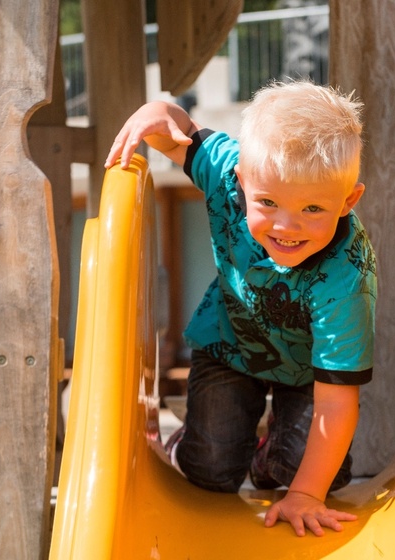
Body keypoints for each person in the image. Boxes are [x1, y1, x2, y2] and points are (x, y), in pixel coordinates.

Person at [106, 80, 376, 538]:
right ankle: (188, 442)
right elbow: (179, 131)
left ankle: (269, 452)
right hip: (231, 341)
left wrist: (306, 495)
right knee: (210, 470)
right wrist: (154, 111)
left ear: (348, 201)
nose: (287, 226)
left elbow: (336, 402)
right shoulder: (228, 170)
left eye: (313, 208)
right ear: (242, 181)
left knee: (314, 474)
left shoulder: (346, 275)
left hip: (308, 372)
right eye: (267, 202)